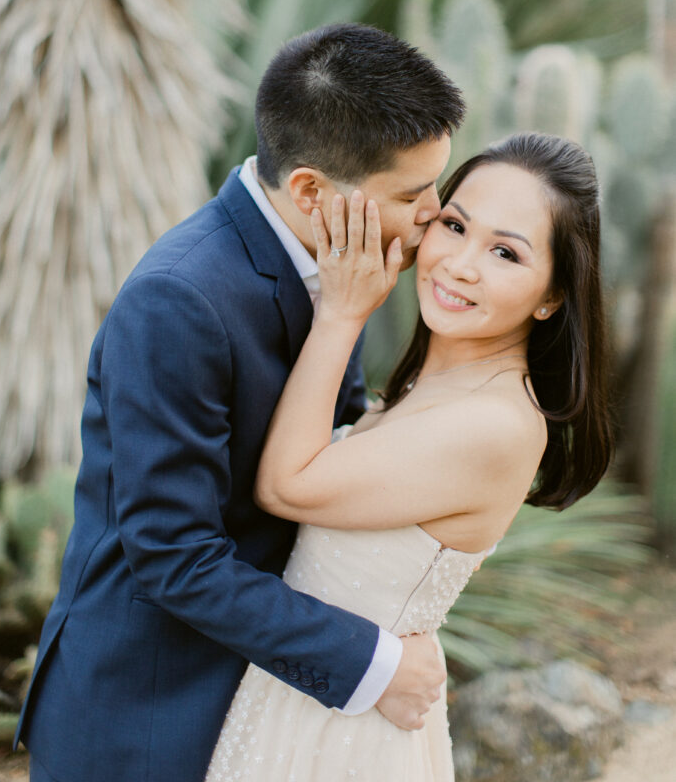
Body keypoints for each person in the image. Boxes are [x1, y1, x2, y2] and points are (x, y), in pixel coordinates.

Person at [15, 23, 466, 782]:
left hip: (262, 692)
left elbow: (327, 457)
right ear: (311, 192)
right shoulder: (179, 300)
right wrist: (372, 662)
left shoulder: (339, 262)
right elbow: (172, 555)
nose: (432, 213)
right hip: (149, 710)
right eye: (411, 194)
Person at [205, 131, 613, 782]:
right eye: (454, 225)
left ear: (550, 296)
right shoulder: (442, 381)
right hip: (314, 692)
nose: (458, 264)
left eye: (505, 252)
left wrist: (341, 313)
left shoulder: (493, 423)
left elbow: (286, 486)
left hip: (341, 734)